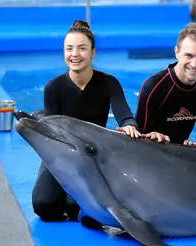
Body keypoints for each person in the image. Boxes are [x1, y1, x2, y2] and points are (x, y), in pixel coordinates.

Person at [32, 20, 141, 223]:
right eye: (69, 49)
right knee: (44, 206)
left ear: (93, 52)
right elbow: (52, 134)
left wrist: (129, 125)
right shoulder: (53, 87)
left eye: (82, 48)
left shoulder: (109, 83)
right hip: (62, 153)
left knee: (78, 209)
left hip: (92, 154)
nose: (75, 54)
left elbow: (123, 113)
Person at [136, 22, 196, 147]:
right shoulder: (154, 86)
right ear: (177, 52)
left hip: (182, 155)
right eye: (189, 56)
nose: (194, 64)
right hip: (153, 151)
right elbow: (138, 139)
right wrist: (152, 137)